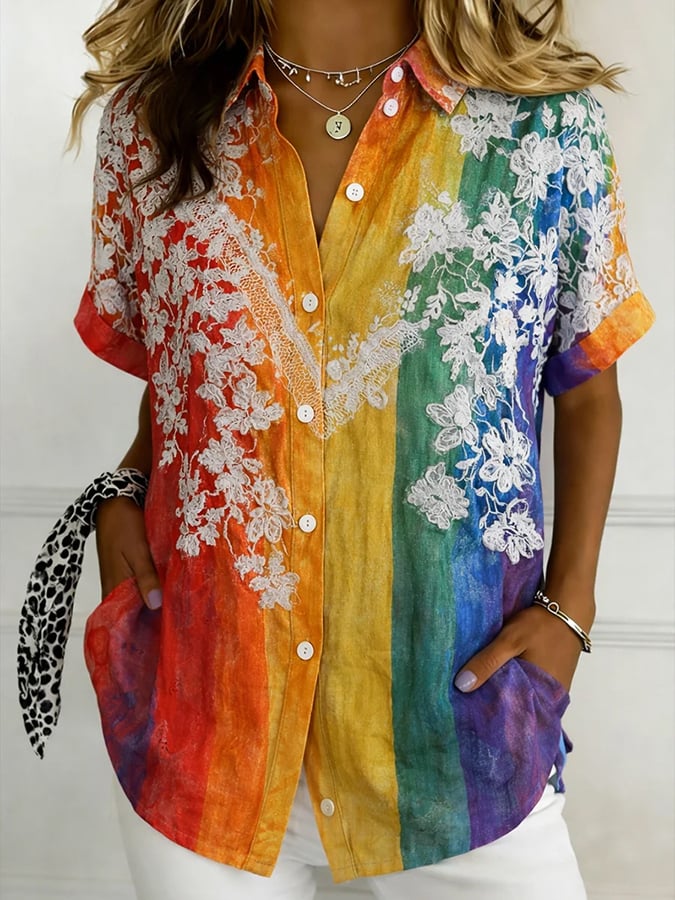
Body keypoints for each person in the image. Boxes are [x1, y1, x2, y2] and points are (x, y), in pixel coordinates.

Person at [18, 0, 655, 897]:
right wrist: (122, 493)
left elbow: (586, 384)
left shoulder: (542, 129)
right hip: (207, 724)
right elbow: (190, 378)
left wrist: (570, 610)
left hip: (456, 741)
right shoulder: (151, 126)